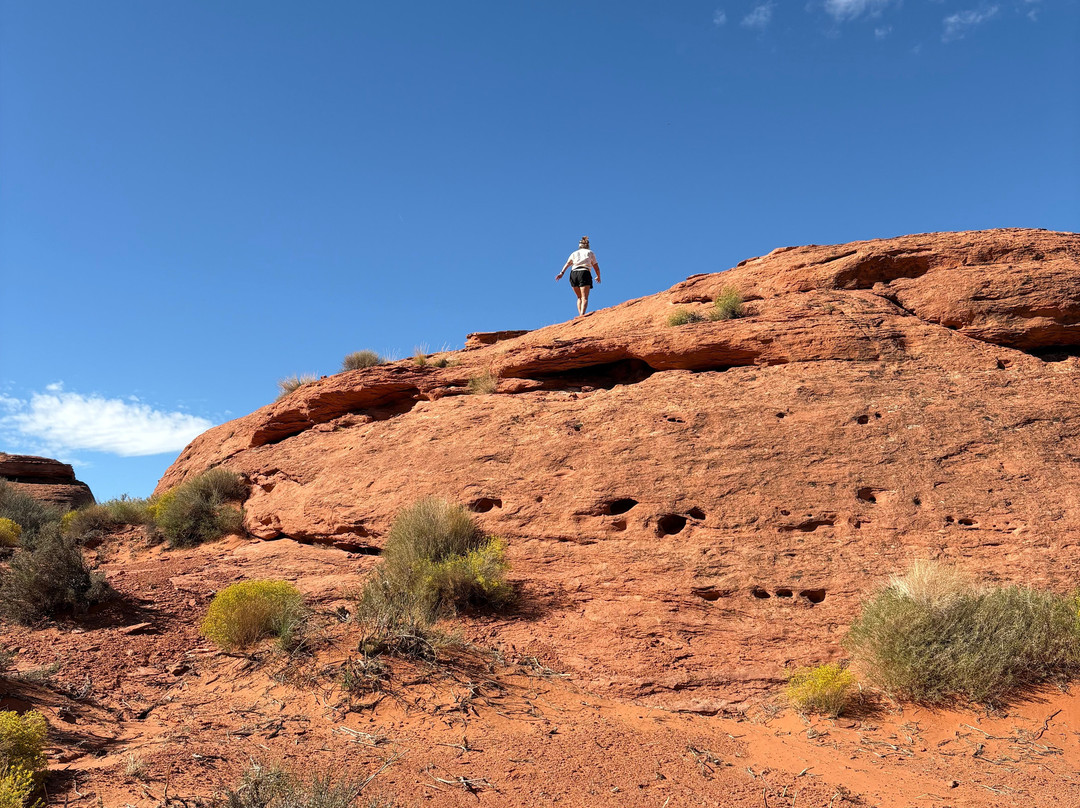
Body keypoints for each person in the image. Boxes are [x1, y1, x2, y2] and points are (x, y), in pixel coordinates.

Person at [556, 236, 601, 317]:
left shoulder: (574, 253)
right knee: (585, 297)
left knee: (579, 297)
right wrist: (598, 276)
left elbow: (567, 264)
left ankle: (580, 314)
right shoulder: (590, 253)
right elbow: (596, 267)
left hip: (573, 273)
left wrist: (561, 273)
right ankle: (582, 315)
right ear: (588, 245)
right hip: (584, 272)